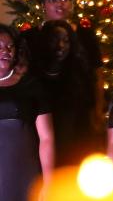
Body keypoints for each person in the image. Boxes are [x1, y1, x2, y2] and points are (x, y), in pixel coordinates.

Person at [0, 25, 54, 201]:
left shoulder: (30, 85)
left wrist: (48, 184)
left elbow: (47, 138)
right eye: (0, 47)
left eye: (10, 47)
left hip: (23, 174)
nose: (6, 51)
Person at [35, 20, 99, 166]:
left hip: (74, 150)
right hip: (42, 153)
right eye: (54, 40)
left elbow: (85, 119)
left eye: (66, 41)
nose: (60, 46)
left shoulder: (79, 75)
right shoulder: (34, 76)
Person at [23, 0, 101, 73]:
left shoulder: (86, 35)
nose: (60, 4)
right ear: (42, 4)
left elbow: (97, 72)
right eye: (53, 0)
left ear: (71, 3)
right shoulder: (28, 37)